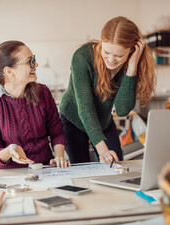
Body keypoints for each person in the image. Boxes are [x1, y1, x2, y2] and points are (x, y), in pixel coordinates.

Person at [59, 16, 156, 164]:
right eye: (106, 52)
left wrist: (131, 68)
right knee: (82, 168)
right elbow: (85, 108)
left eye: (119, 55)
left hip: (103, 121)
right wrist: (102, 149)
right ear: (101, 42)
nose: (111, 60)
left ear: (132, 50)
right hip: (74, 120)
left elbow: (123, 110)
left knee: (116, 167)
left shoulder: (129, 64)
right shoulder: (82, 57)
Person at [0, 40, 70, 169]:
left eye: (34, 59)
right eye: (30, 62)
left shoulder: (43, 92)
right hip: (9, 175)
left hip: (44, 169)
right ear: (9, 72)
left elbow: (57, 132)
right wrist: (10, 150)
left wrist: (59, 156)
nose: (36, 64)